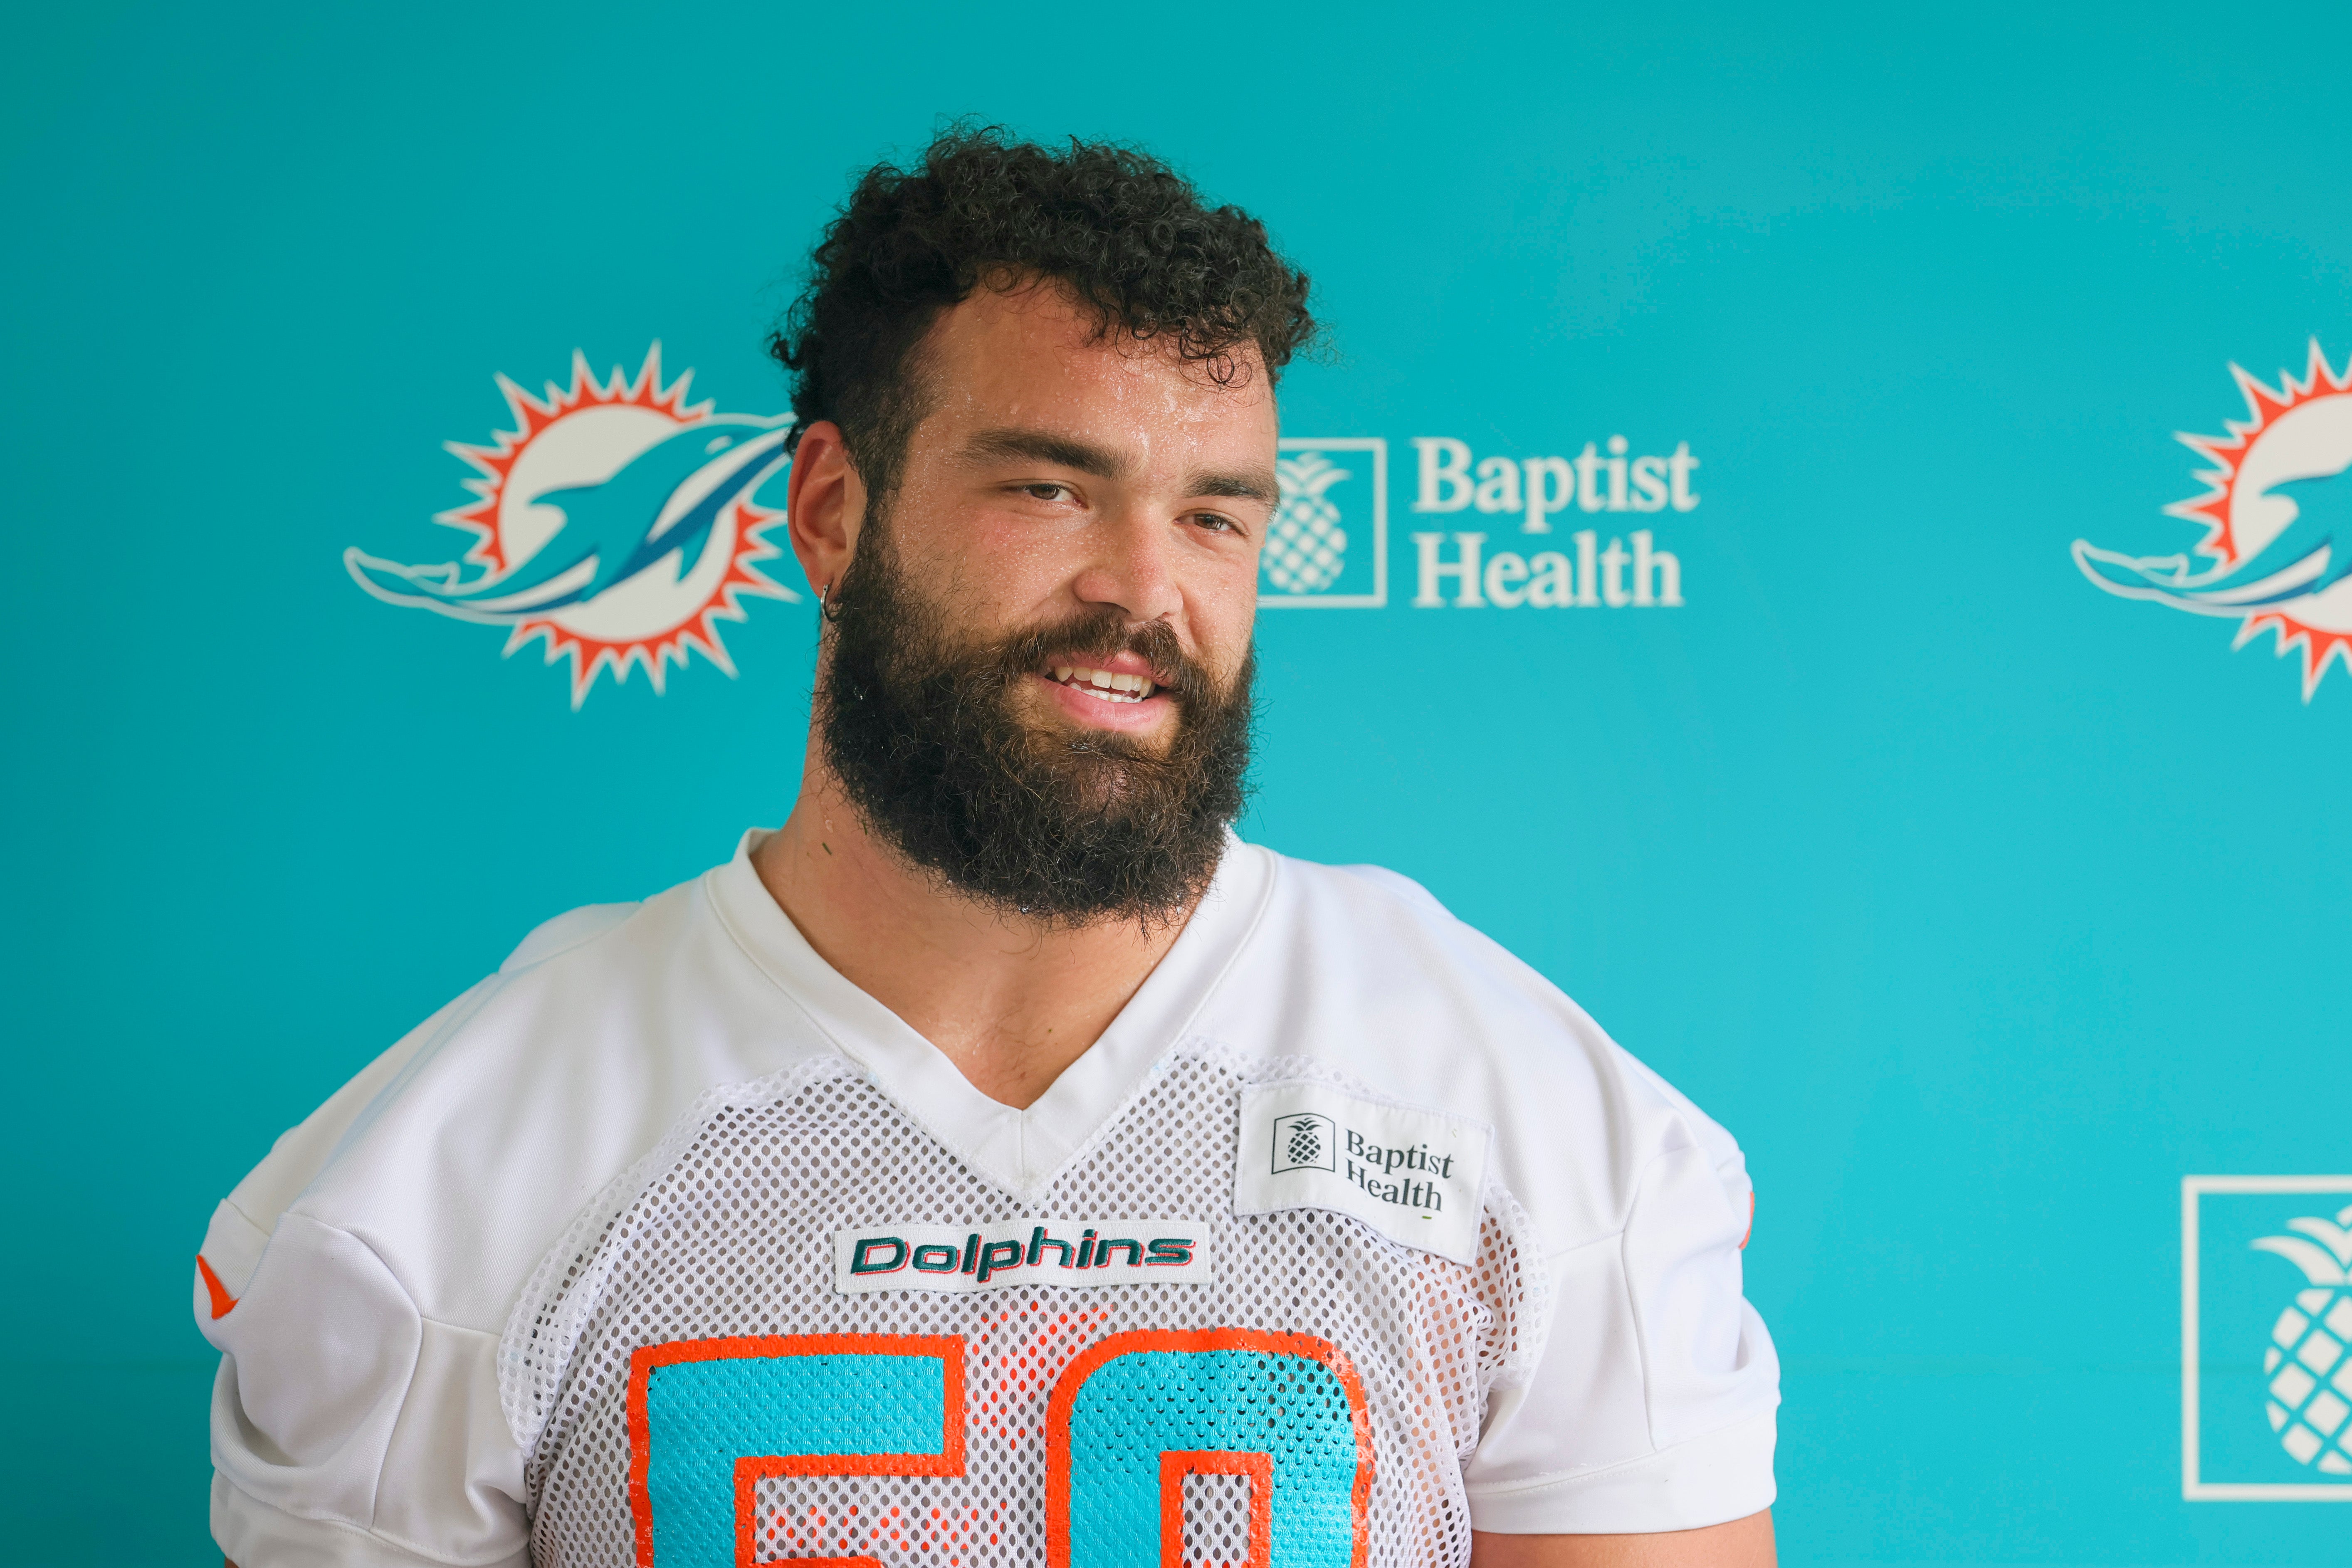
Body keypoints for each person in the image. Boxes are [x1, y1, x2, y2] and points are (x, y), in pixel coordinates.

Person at [194, 128, 1779, 1568]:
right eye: (1051, 486)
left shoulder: (1530, 1118)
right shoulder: (453, 1169)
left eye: (1219, 516)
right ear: (829, 507)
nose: (1145, 592)